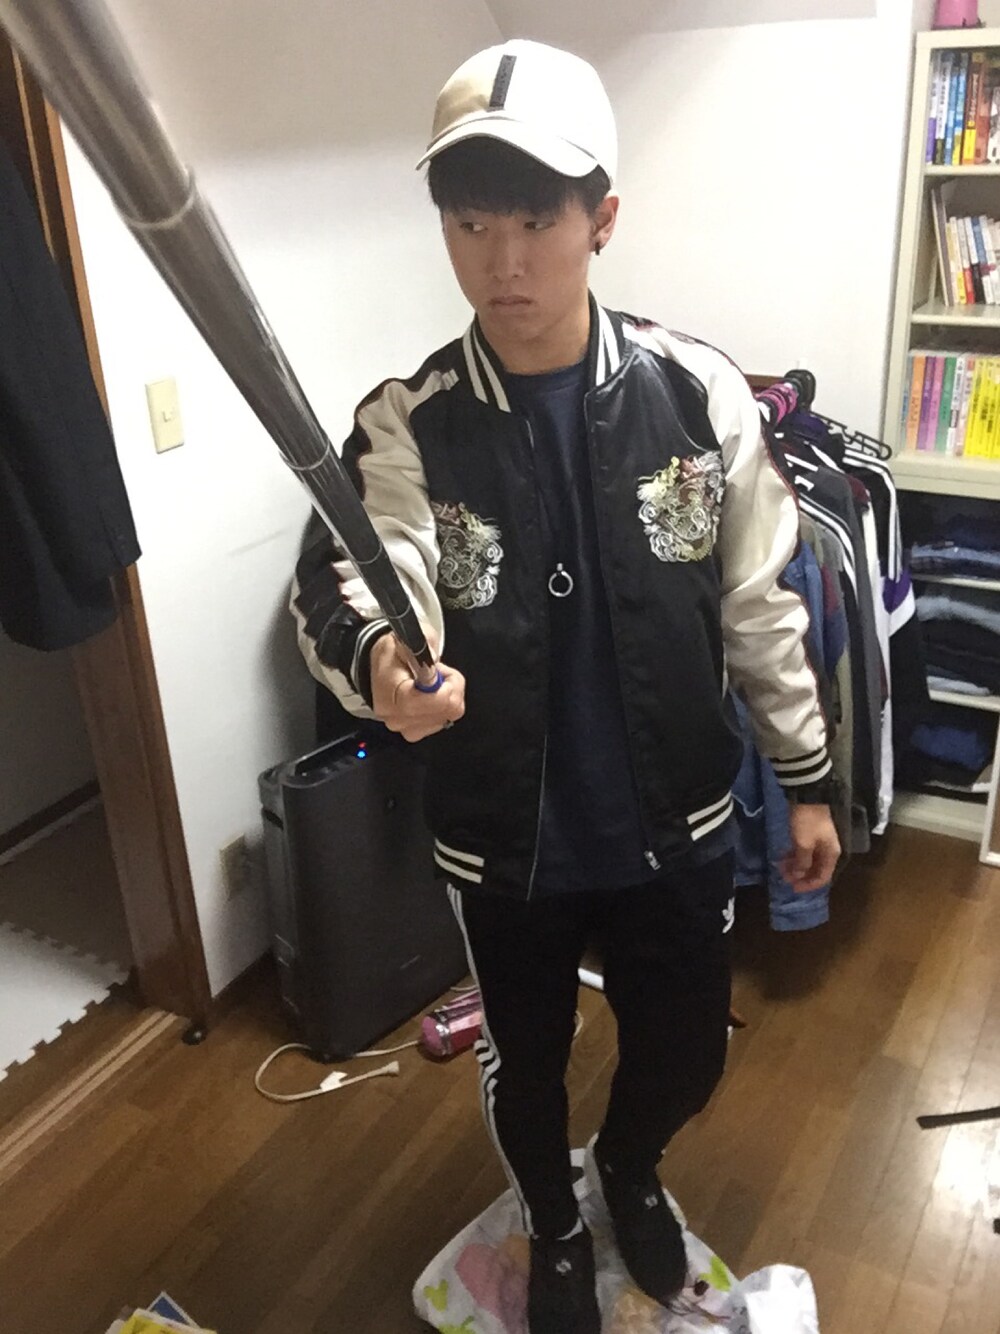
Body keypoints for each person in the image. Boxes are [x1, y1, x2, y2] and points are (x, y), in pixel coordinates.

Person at [292, 38, 840, 1334]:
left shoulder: (696, 395)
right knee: (524, 1062)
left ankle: (632, 1169)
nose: (504, 261)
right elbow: (364, 568)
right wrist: (385, 661)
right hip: (504, 832)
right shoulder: (409, 420)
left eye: (536, 220)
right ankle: (549, 1216)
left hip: (676, 816)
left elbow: (761, 601)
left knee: (687, 1046)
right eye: (470, 223)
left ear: (602, 218)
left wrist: (807, 776)